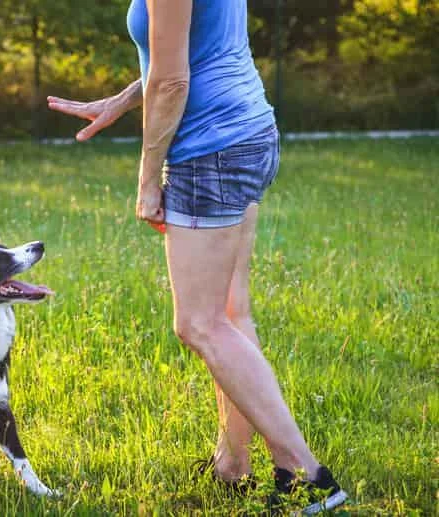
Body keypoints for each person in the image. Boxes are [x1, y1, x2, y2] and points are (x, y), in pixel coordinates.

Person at [48, 0, 347, 513]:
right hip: (247, 130)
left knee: (199, 324)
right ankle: (234, 464)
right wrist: (122, 99)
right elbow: (186, 54)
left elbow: (172, 82)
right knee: (232, 311)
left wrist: (147, 180)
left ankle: (305, 474)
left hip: (209, 148)